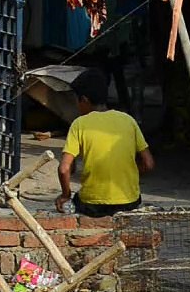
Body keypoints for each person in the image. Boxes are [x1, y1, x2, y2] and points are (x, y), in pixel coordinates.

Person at [56, 68, 154, 217]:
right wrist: (127, 173)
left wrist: (65, 195)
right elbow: (148, 163)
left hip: (93, 205)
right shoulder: (128, 120)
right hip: (129, 203)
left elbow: (64, 169)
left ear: (85, 100)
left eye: (78, 101)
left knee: (69, 204)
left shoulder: (79, 124)